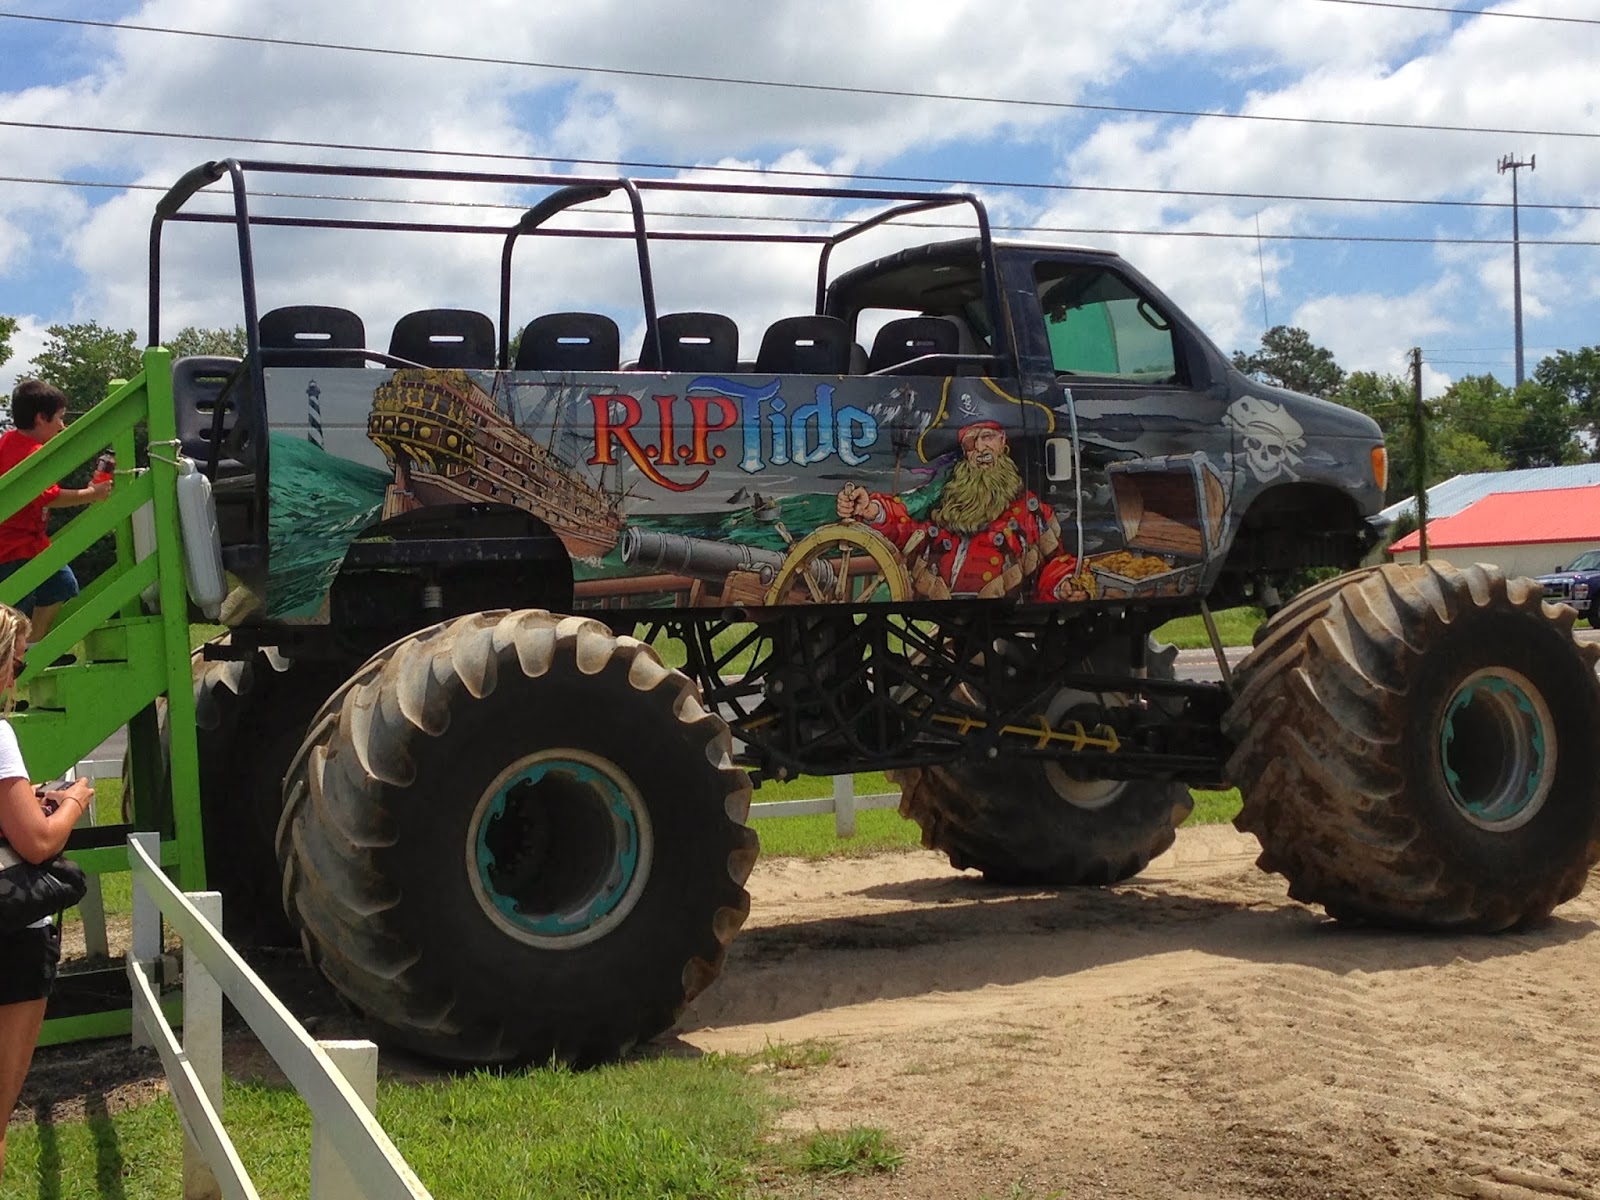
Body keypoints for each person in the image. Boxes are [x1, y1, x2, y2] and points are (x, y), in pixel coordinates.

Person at [0, 603, 92, 1180]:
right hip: (12, 933)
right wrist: (75, 802)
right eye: (15, 661)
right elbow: (36, 844)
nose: (16, 675)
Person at [835, 419, 1088, 601]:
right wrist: (873, 510)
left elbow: (1055, 563)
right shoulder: (949, 503)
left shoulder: (1032, 512)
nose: (980, 448)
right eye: (971, 441)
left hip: (999, 617)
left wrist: (1062, 585)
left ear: (1003, 442)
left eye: (987, 437)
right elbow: (912, 534)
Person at [0, 381, 112, 642]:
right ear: (41, 418)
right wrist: (91, 494)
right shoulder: (29, 453)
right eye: (60, 418)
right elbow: (48, 498)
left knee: (60, 585)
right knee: (12, 608)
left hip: (29, 545)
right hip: (15, 548)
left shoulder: (10, 443)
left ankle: (29, 650)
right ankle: (19, 655)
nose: (63, 426)